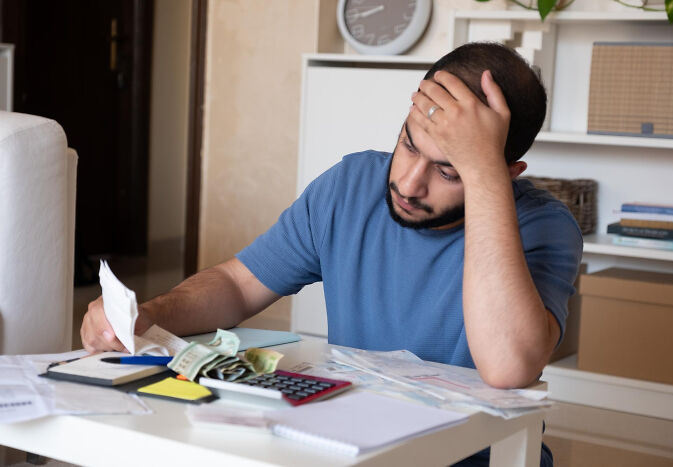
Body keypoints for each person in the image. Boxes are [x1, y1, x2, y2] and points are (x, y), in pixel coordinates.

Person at [81, 42, 582, 466]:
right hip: (356, 445)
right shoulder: (351, 184)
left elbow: (509, 368)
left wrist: (482, 174)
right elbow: (237, 285)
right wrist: (149, 315)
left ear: (506, 173)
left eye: (449, 171)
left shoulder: (544, 225)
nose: (408, 183)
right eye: (408, 145)